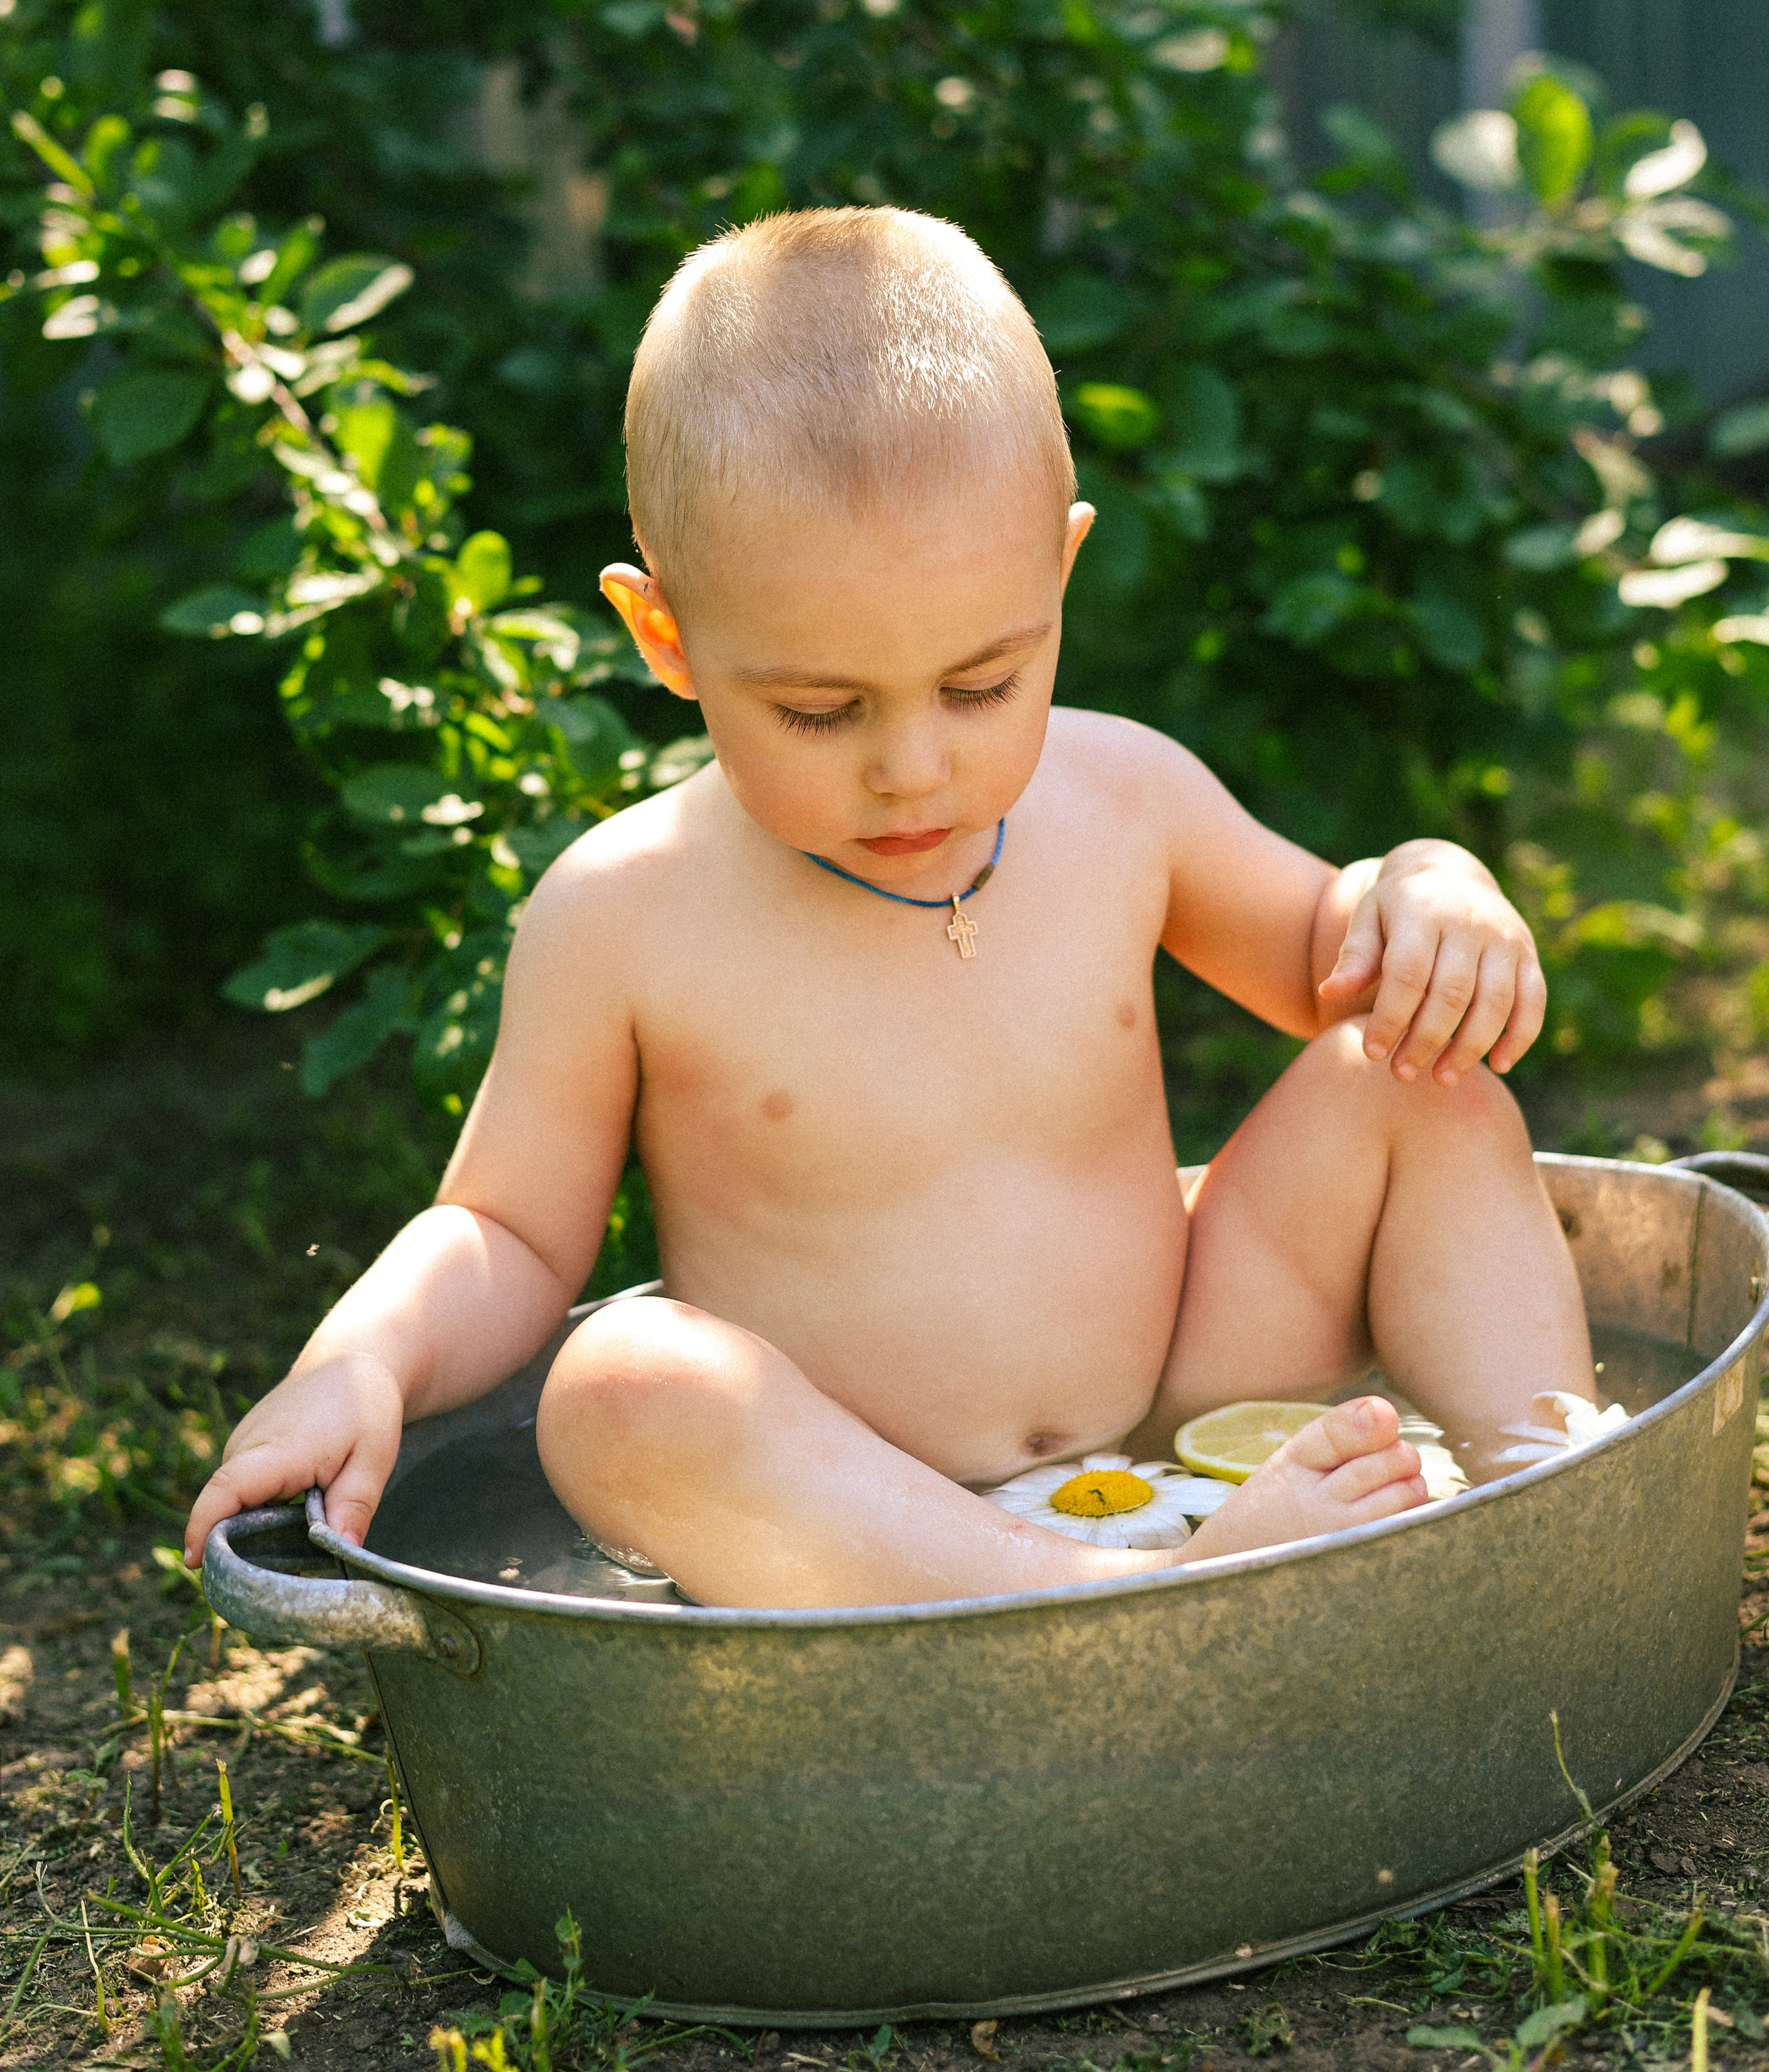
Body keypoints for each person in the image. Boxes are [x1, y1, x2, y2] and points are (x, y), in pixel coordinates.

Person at [185, 207, 1598, 1608]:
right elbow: (506, 1233)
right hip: (859, 1503)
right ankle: (1072, 1598)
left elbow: (1336, 962)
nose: (914, 766)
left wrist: (1424, 885)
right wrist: (355, 1358)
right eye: (819, 709)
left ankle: (1550, 1501)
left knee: (1417, 1074)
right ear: (664, 636)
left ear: (1057, 569)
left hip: (1180, 1378)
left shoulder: (1122, 797)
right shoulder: (626, 913)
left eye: (981, 684)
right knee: (618, 1385)